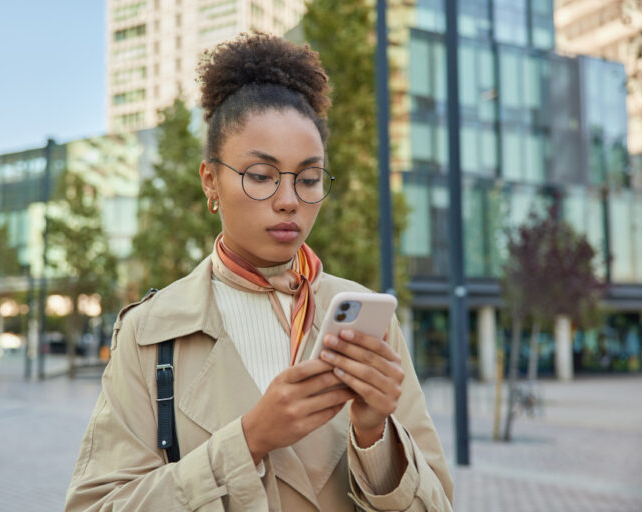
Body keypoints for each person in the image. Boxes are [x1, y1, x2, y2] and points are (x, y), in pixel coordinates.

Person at [65, 32, 453, 511]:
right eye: (262, 176)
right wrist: (248, 440)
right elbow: (97, 505)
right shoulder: (149, 332)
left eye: (309, 179)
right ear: (211, 180)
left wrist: (375, 436)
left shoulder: (368, 322)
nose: (289, 200)